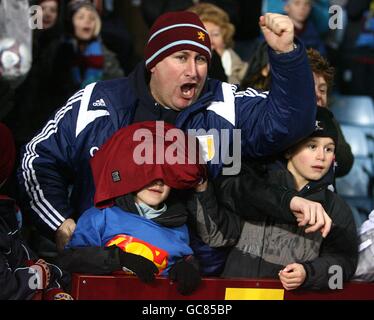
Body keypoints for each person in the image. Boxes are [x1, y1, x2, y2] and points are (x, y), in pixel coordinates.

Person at [18, 11, 319, 274]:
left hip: (196, 275)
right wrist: (60, 223)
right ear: (154, 62)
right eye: (181, 57)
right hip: (104, 270)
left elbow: (289, 125)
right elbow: (36, 160)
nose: (194, 70)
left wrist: (286, 56)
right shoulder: (98, 104)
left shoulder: (226, 105)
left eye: (201, 58)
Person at [199, 108, 358, 290]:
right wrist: (201, 189)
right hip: (235, 293)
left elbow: (345, 266)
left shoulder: (335, 208)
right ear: (289, 150)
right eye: (312, 146)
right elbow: (218, 235)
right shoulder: (256, 187)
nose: (321, 156)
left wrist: (308, 273)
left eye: (329, 149)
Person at [59, 121, 205, 295]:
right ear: (131, 172)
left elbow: (187, 258)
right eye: (148, 172)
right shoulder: (101, 216)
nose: (158, 181)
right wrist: (117, 259)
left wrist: (189, 267)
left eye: (167, 174)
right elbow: (70, 259)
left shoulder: (178, 225)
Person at [0, 123, 73, 300]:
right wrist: (42, 274)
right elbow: (8, 289)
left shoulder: (5, 214)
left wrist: (54, 287)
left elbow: (26, 261)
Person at [188, 2, 248, 84]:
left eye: (215, 34)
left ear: (225, 37)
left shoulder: (246, 72)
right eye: (203, 35)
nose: (210, 41)